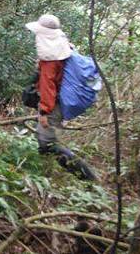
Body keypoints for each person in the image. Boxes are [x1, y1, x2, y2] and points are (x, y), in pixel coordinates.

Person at [25, 14, 96, 181]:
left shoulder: (51, 60)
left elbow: (48, 86)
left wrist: (44, 112)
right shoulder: (64, 48)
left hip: (53, 105)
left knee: (47, 144)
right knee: (46, 142)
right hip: (59, 102)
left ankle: (87, 177)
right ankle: (45, 176)